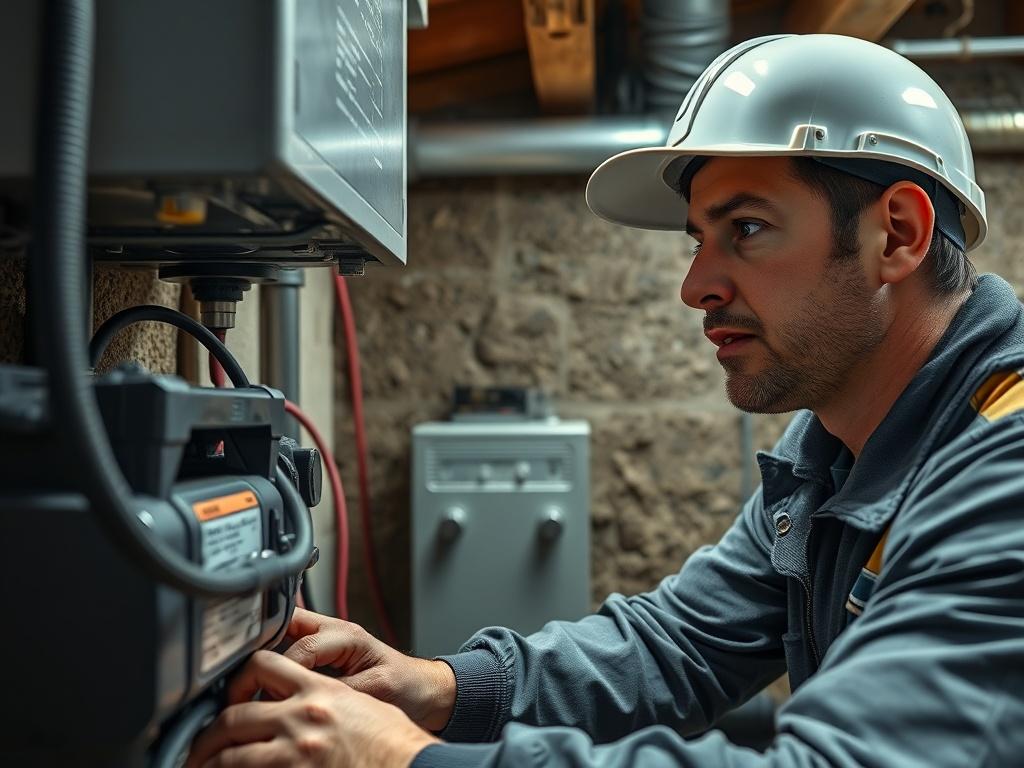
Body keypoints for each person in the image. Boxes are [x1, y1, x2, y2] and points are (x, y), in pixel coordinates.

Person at [186, 33, 1024, 767]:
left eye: (749, 229)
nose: (696, 285)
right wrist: (434, 687)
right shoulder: (834, 450)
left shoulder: (1005, 468)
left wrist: (401, 759)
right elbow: (679, 646)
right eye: (700, 239)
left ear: (899, 235)